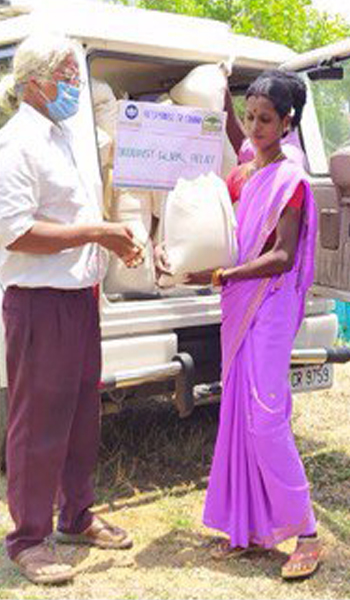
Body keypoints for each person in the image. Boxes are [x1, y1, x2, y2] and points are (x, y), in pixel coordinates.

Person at [0, 33, 141, 584]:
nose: (76, 86)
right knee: (38, 421)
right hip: (40, 302)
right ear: (35, 82)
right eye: (68, 76)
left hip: (79, 299)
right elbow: (16, 233)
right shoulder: (17, 145)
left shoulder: (63, 136)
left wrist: (109, 240)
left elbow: (74, 215)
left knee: (84, 414)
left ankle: (76, 515)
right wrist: (99, 232)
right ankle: (29, 539)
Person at [185, 71, 321, 580]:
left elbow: (283, 256)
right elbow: (216, 218)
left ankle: (306, 532)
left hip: (271, 306)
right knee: (238, 415)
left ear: (288, 123)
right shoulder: (243, 174)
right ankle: (244, 528)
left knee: (266, 418)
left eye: (267, 119)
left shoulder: (293, 181)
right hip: (239, 304)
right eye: (250, 117)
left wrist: (219, 274)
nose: (256, 127)